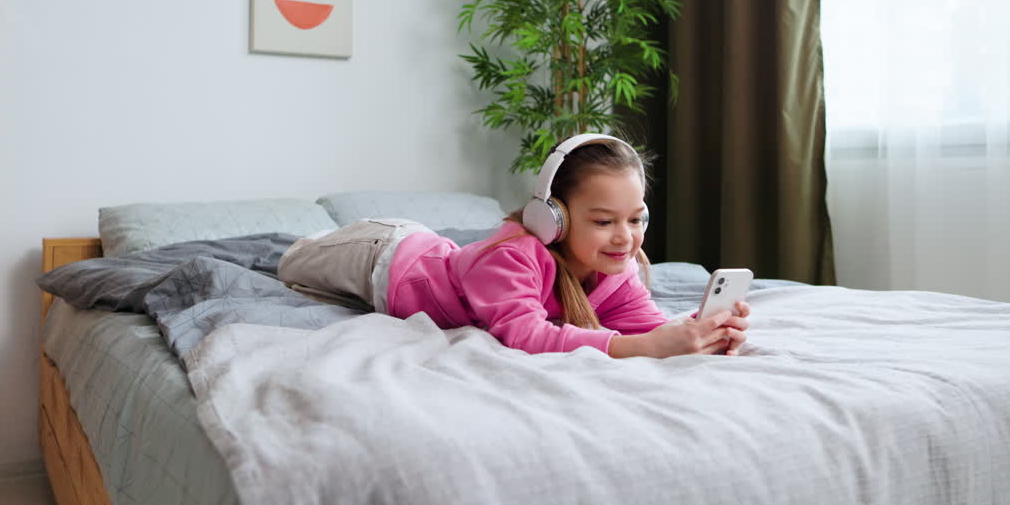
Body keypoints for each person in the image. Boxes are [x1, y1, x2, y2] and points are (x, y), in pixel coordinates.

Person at [278, 133, 750, 358]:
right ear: (554, 216)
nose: (625, 237)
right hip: (383, 256)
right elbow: (527, 336)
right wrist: (644, 347)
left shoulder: (617, 270)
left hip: (428, 254)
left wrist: (702, 329)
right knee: (291, 263)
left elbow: (649, 328)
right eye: (604, 221)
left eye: (635, 218)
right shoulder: (515, 255)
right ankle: (317, 234)